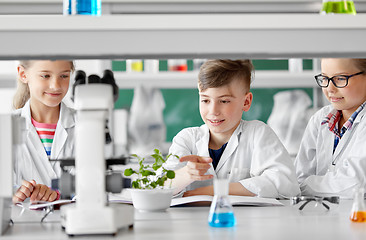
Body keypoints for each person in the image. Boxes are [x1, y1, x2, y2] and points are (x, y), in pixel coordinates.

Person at [166, 59, 300, 198]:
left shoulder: (258, 133)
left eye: (224, 101)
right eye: (205, 100)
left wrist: (207, 193)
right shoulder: (187, 139)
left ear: (246, 102)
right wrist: (185, 174)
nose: (213, 111)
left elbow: (285, 184)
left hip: (249, 220)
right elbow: (159, 187)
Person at [295, 58, 366, 199]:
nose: (330, 89)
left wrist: (305, 186)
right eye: (325, 78)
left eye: (340, 78)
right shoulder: (320, 118)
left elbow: (355, 183)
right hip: (321, 215)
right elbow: (298, 177)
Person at [12, 60, 75, 203]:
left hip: (75, 223)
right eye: (46, 76)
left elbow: (95, 187)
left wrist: (57, 196)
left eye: (64, 76)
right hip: (23, 223)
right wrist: (13, 195)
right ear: (23, 74)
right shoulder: (6, 127)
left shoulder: (86, 124)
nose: (56, 86)